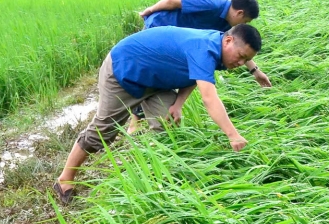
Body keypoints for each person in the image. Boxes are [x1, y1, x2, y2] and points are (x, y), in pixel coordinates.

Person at [52, 23, 262, 205]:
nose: (241, 63)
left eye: (246, 60)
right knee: (103, 130)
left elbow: (196, 74)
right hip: (125, 70)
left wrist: (179, 103)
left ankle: (156, 181)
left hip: (157, 79)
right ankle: (65, 179)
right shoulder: (204, 48)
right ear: (227, 40)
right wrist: (232, 134)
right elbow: (209, 98)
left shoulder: (219, 46)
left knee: (167, 125)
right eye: (241, 57)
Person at [140, 0, 271, 87]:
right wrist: (149, 10)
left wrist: (256, 72)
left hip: (177, 40)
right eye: (245, 21)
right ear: (239, 13)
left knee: (166, 74)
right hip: (158, 26)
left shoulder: (228, 24)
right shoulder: (210, 4)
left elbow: (240, 49)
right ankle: (134, 121)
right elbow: (172, 1)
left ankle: (139, 117)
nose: (244, 25)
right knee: (149, 70)